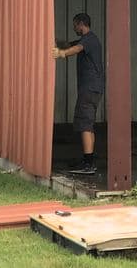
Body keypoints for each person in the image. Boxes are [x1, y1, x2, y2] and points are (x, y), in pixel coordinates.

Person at [51, 12, 105, 175]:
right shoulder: (87, 39)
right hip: (93, 89)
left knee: (84, 124)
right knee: (87, 124)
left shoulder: (89, 39)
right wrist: (54, 42)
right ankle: (88, 159)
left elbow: (75, 48)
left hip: (89, 89)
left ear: (82, 24)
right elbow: (69, 44)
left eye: (75, 25)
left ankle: (88, 165)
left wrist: (61, 54)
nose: (74, 27)